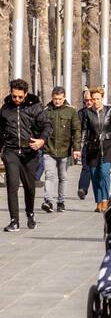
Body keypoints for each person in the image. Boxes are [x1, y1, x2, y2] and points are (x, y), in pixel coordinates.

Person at [1, 78, 50, 231]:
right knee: (12, 185)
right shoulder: (5, 108)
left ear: (26, 94)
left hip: (30, 151)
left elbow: (47, 126)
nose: (17, 99)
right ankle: (14, 221)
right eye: (14, 96)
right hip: (11, 151)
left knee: (29, 187)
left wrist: (41, 140)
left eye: (20, 97)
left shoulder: (35, 107)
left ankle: (30, 213)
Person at [81, 86, 111, 212]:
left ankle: (105, 199)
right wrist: (80, 146)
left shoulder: (109, 110)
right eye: (93, 99)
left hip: (108, 145)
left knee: (104, 172)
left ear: (102, 98)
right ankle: (99, 201)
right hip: (93, 147)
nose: (95, 101)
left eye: (98, 99)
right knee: (95, 175)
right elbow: (84, 131)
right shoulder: (87, 113)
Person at [42, 85, 81, 213]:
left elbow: (76, 130)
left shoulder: (71, 111)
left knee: (63, 177)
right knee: (49, 175)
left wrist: (76, 148)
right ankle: (48, 201)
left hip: (65, 150)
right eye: (55, 99)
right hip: (49, 149)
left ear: (64, 98)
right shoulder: (46, 111)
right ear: (52, 98)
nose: (57, 101)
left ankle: (61, 201)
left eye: (59, 99)